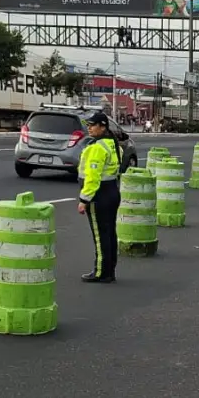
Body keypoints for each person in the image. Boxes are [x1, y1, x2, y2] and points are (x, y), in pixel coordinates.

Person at [77, 110, 122, 283]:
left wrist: (84, 200)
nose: (89, 128)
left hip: (99, 195)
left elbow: (93, 178)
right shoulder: (112, 144)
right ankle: (109, 270)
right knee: (110, 232)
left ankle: (101, 272)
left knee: (100, 235)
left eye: (92, 125)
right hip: (112, 191)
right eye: (88, 125)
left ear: (102, 127)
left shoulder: (97, 148)